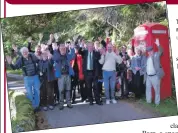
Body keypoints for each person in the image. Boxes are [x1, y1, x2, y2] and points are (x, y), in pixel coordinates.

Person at [6, 47, 40, 112]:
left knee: (37, 91)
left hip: (35, 76)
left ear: (28, 52)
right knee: (29, 93)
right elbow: (14, 67)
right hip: (27, 78)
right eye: (23, 52)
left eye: (26, 51)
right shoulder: (20, 59)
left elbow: (38, 61)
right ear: (21, 53)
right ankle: (32, 106)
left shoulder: (32, 56)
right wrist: (10, 63)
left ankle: (37, 106)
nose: (25, 53)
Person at [52, 43, 75, 110]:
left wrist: (72, 48)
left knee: (68, 89)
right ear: (59, 49)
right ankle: (61, 104)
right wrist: (55, 50)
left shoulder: (68, 56)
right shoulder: (58, 56)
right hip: (61, 76)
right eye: (61, 48)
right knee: (61, 90)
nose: (63, 50)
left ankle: (68, 103)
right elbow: (54, 58)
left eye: (64, 48)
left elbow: (73, 56)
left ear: (65, 49)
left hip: (68, 75)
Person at [145, 39, 164, 106]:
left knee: (157, 90)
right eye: (148, 51)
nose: (150, 52)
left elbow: (161, 51)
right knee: (148, 89)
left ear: (153, 51)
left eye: (151, 51)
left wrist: (158, 44)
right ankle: (148, 101)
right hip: (148, 77)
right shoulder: (147, 58)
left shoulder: (156, 55)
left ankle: (157, 103)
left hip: (155, 76)